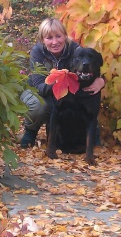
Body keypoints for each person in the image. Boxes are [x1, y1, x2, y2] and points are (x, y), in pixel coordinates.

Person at [20, 17, 106, 148]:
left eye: (58, 36)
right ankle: (31, 131)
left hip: (64, 91)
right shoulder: (37, 52)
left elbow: (91, 64)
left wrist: (102, 81)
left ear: (65, 36)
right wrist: (60, 83)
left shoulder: (76, 50)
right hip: (39, 91)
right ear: (42, 40)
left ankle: (90, 135)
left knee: (86, 98)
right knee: (41, 106)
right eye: (49, 38)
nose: (55, 42)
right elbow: (39, 86)